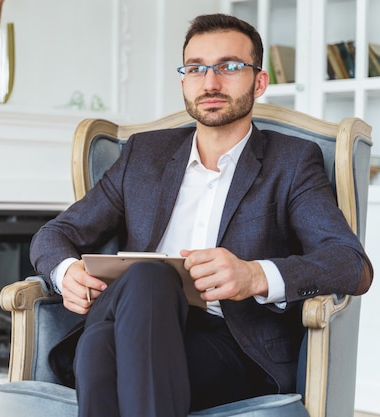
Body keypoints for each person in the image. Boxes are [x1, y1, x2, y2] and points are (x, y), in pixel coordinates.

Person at [29, 13, 373, 417]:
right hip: (128, 317)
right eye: (196, 69)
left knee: (100, 347)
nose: (210, 83)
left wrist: (255, 275)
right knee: (146, 280)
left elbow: (350, 264)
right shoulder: (144, 155)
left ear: (259, 81)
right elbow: (56, 233)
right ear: (184, 81)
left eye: (229, 67)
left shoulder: (291, 162)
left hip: (228, 343)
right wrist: (66, 272)